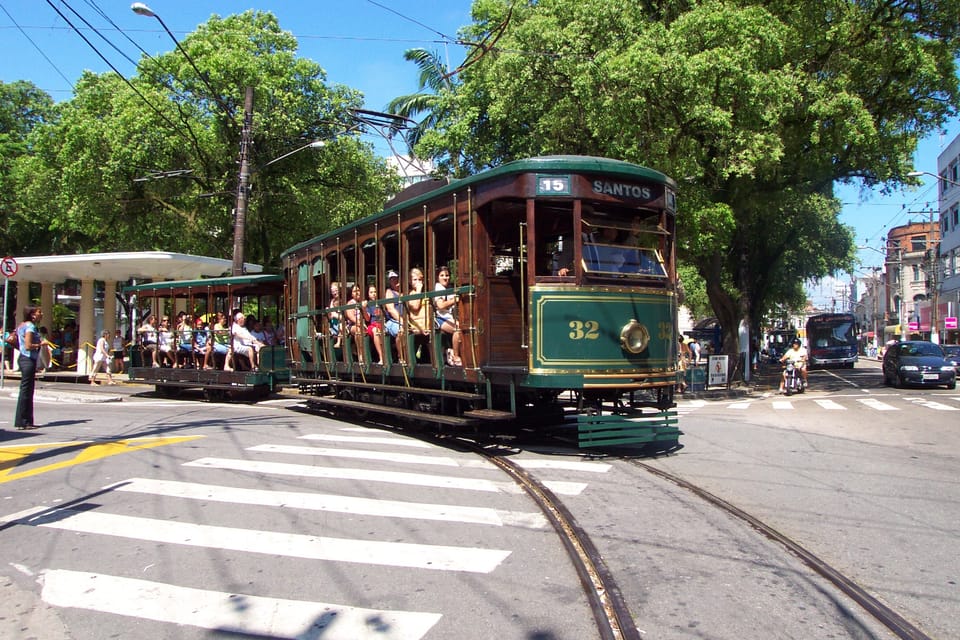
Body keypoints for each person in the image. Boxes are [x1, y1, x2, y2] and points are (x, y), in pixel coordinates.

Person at [13, 306, 42, 430]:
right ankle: (22, 421)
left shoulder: (21, 325)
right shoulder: (30, 327)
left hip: (24, 358)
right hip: (28, 359)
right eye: (39, 312)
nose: (41, 314)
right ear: (32, 315)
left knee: (28, 390)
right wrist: (41, 344)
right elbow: (28, 345)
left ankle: (27, 420)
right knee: (26, 391)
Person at [434, 266, 463, 366]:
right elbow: (440, 305)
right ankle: (455, 356)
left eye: (447, 275)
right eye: (442, 275)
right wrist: (454, 300)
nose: (445, 277)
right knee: (458, 329)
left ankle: (451, 351)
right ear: (437, 277)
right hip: (440, 318)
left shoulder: (450, 288)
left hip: (450, 317)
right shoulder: (438, 287)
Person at [406, 267, 430, 362]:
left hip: (428, 325)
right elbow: (415, 306)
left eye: (420, 279)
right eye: (415, 279)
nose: (418, 282)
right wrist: (418, 291)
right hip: (416, 326)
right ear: (410, 281)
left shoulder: (426, 293)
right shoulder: (408, 294)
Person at [383, 270, 404, 361]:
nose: (395, 281)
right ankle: (401, 356)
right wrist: (402, 321)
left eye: (397, 278)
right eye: (392, 279)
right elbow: (391, 309)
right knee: (401, 331)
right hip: (393, 321)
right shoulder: (389, 292)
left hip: (408, 320)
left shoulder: (405, 291)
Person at [365, 284, 385, 365]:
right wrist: (363, 308)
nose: (373, 294)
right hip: (373, 325)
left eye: (375, 292)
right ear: (368, 294)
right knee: (376, 331)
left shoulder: (381, 303)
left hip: (382, 324)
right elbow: (367, 318)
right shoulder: (368, 304)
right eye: (371, 292)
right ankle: (381, 357)